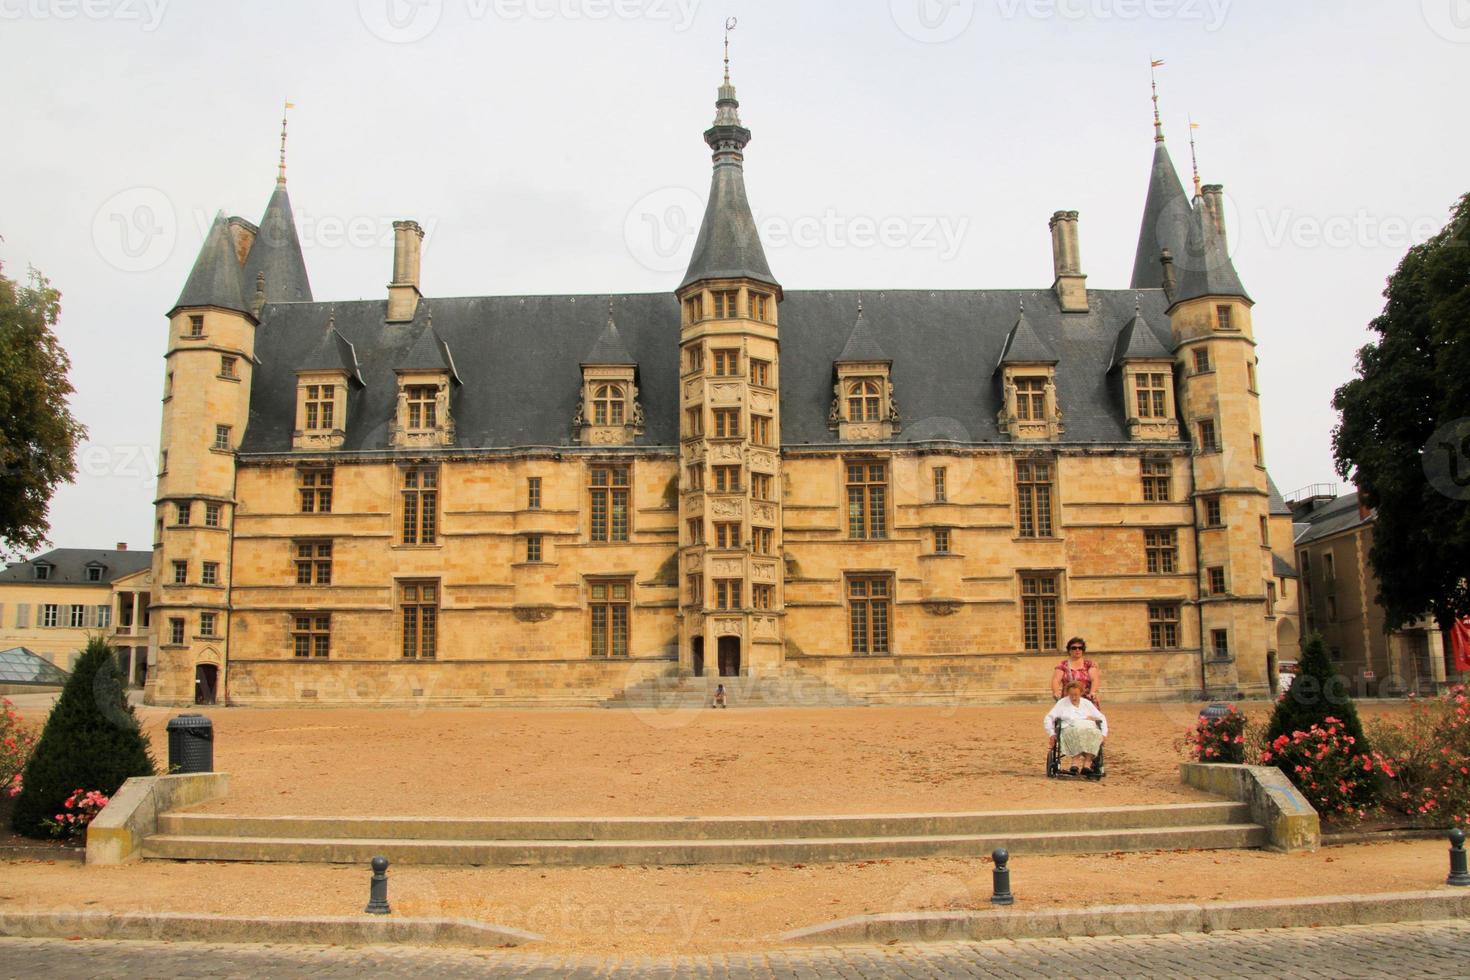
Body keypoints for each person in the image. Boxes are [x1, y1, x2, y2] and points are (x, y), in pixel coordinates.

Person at [1045, 680, 1107, 777]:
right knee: (1077, 732)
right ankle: (1075, 763)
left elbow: (1101, 718)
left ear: (1081, 693)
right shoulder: (1062, 703)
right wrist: (1051, 733)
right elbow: (1049, 718)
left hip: (1088, 728)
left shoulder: (1087, 703)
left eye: (1076, 695)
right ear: (1068, 693)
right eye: (1071, 695)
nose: (1073, 697)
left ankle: (1087, 764)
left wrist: (1104, 734)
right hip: (1070, 728)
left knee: (1094, 734)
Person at [1051, 636, 1100, 705]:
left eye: (1080, 648)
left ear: (1083, 650)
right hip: (1068, 700)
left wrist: (1092, 692)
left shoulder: (1089, 664)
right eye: (1074, 648)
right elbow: (1056, 680)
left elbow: (1094, 679)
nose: (1077, 650)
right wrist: (1056, 692)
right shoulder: (1062, 665)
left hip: (1087, 700)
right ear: (1069, 650)